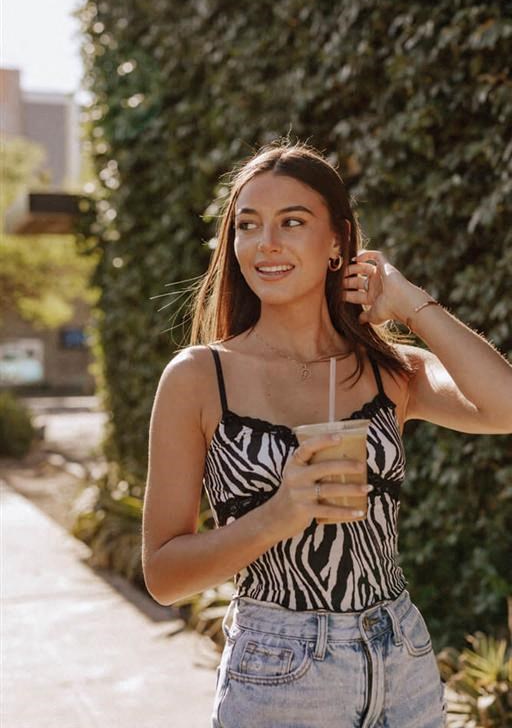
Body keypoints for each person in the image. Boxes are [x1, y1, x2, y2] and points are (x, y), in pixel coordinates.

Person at [142, 141, 512, 728]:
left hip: (402, 657)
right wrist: (276, 516)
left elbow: (507, 406)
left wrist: (410, 303)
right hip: (280, 670)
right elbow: (162, 576)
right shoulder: (199, 376)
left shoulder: (388, 369)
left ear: (338, 242)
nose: (266, 243)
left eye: (292, 222)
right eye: (248, 225)